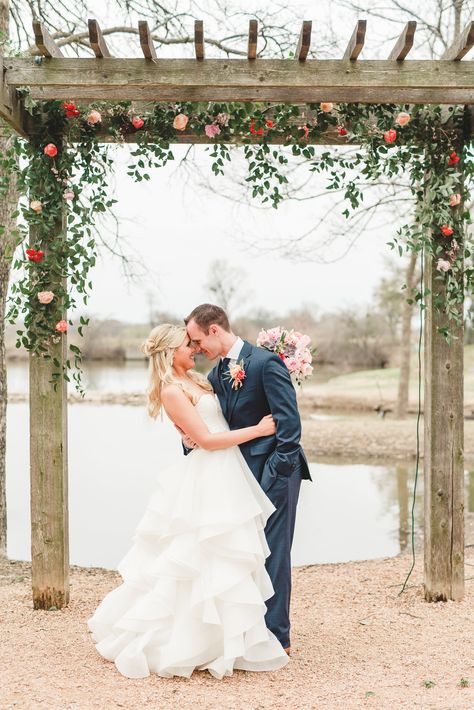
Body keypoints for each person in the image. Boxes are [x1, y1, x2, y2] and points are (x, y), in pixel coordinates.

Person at [87, 323, 289, 679]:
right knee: (198, 554)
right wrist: (258, 430)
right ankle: (185, 641)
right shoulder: (172, 391)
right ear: (169, 352)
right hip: (208, 474)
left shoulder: (200, 379)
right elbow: (207, 440)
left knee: (226, 556)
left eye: (194, 342)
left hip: (228, 471)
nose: (193, 348)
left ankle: (230, 639)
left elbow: (219, 420)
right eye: (186, 345)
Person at [185, 304, 311, 655]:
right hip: (240, 477)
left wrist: (277, 472)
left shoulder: (264, 363)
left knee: (275, 552)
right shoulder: (216, 373)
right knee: (247, 552)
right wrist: (188, 441)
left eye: (196, 340)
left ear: (214, 330)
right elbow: (213, 424)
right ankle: (249, 630)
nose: (196, 349)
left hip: (276, 473)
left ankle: (277, 637)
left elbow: (289, 426)